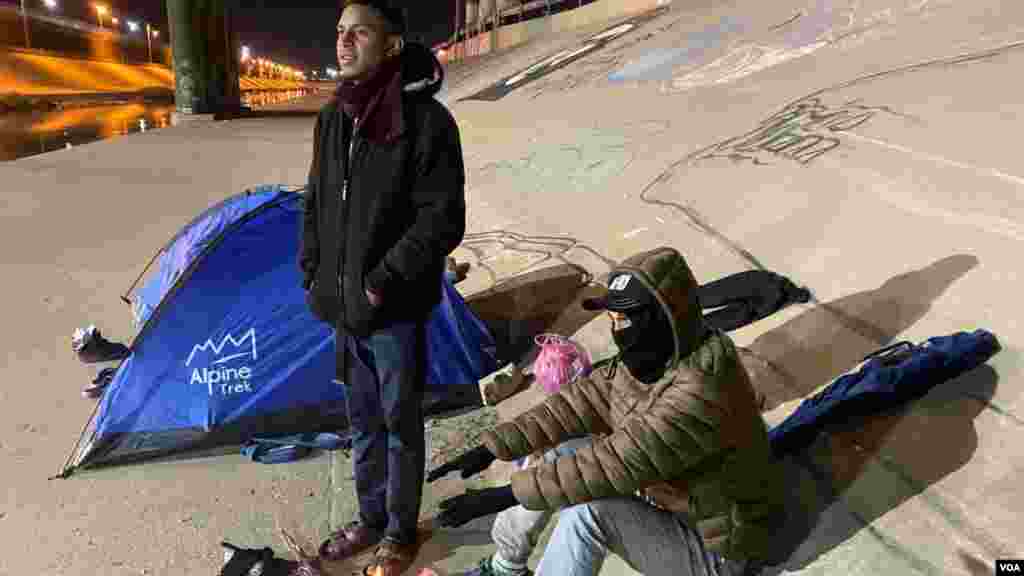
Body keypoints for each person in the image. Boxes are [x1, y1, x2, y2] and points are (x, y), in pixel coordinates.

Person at [426, 247, 790, 576]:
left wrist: (504, 495)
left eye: (624, 320)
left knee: (588, 514)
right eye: (614, 321)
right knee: (557, 450)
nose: (618, 333)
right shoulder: (660, 357)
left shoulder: (703, 390)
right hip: (671, 498)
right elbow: (578, 403)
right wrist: (493, 447)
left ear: (664, 319)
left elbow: (615, 460)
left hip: (719, 550)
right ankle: (506, 568)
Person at [298, 1, 466, 574]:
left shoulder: (426, 122)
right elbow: (316, 203)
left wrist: (379, 283)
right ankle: (369, 519)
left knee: (399, 424)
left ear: (391, 45)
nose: (343, 43)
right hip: (343, 307)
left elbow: (442, 220)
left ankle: (399, 530)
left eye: (358, 33)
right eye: (340, 32)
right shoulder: (332, 119)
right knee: (362, 423)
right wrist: (313, 273)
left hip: (391, 309)